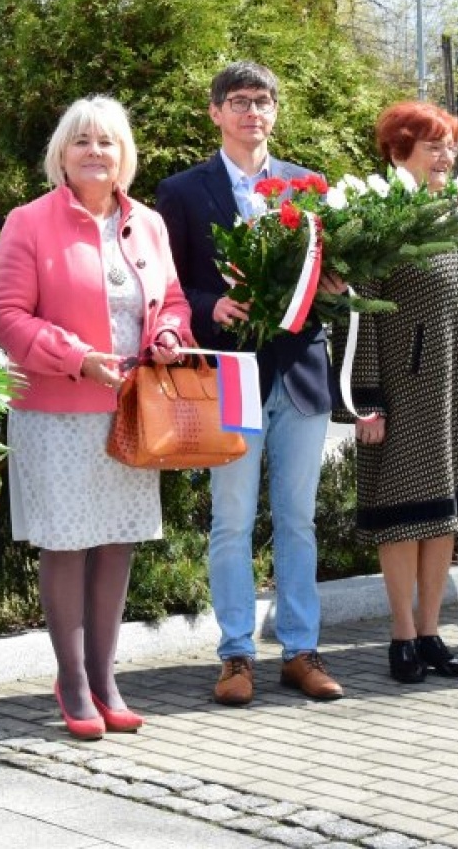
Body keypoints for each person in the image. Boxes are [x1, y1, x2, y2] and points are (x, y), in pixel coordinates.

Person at [0, 96, 191, 738]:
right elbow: (7, 318)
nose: (95, 152)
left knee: (117, 541)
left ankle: (106, 677)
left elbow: (176, 300)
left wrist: (167, 334)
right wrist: (78, 360)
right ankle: (72, 678)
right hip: (58, 411)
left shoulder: (149, 225)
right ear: (61, 154)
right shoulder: (29, 222)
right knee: (69, 543)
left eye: (107, 142)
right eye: (81, 142)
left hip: (134, 410)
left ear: (124, 154)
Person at [156, 61, 343, 705]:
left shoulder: (307, 186)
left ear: (275, 111)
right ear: (215, 113)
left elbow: (329, 273)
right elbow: (172, 282)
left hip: (300, 373)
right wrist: (211, 306)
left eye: (262, 101)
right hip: (229, 373)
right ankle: (236, 655)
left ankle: (301, 650)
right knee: (231, 522)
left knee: (298, 520)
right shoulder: (181, 191)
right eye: (238, 101)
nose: (251, 112)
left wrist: (337, 286)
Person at [340, 100, 458, 683]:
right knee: (404, 517)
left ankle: (431, 632)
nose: (446, 156)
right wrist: (366, 399)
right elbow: (360, 315)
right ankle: (399, 636)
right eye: (432, 145)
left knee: (443, 516)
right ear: (399, 149)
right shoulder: (379, 216)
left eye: (449, 144)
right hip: (406, 388)